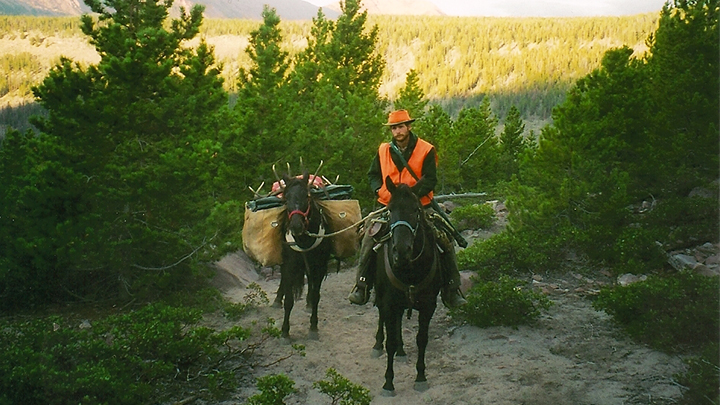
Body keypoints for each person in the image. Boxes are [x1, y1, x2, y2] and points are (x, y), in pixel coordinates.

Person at [348, 109, 467, 308]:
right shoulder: (383, 150)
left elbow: (430, 179)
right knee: (369, 236)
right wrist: (379, 189)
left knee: (444, 238)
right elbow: (373, 175)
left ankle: (452, 288)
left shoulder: (426, 149)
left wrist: (411, 196)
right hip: (389, 205)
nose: (398, 131)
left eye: (401, 126)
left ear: (409, 127)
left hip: (420, 205)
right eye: (394, 128)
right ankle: (361, 285)